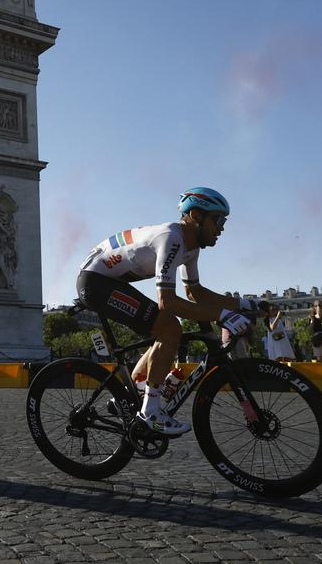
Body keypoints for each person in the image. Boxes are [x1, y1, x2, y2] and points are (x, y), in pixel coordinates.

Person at [76, 187, 253, 437]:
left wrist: (243, 305)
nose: (222, 228)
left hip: (109, 280)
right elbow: (167, 303)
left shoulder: (191, 247)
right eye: (218, 220)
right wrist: (222, 315)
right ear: (195, 215)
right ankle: (150, 412)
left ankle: (128, 399)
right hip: (95, 282)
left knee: (165, 330)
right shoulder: (171, 238)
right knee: (169, 327)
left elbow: (195, 293)